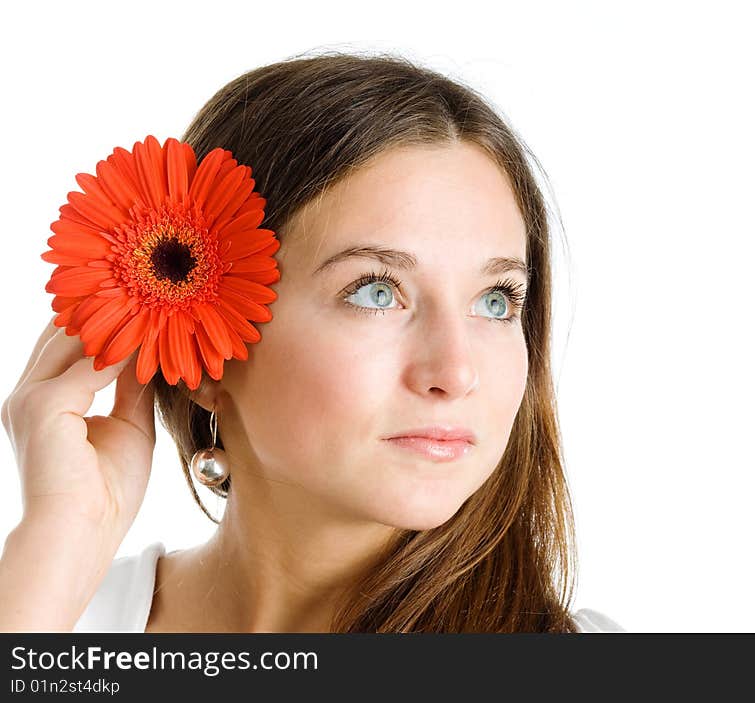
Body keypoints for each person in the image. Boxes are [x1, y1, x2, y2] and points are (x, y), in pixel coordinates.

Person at [0, 50, 624, 633]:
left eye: (497, 301)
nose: (456, 372)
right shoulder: (54, 615)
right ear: (210, 352)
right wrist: (57, 547)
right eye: (377, 291)